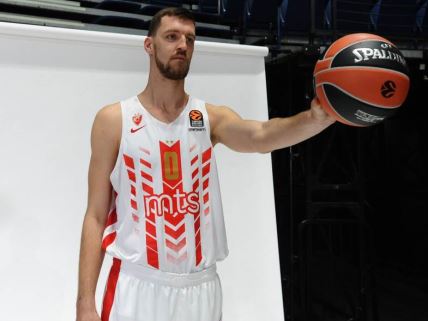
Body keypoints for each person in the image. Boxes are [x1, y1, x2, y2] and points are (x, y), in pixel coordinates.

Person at [75, 7, 335, 321]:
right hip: (137, 284)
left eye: (189, 39)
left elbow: (261, 135)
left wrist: (316, 119)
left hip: (201, 288)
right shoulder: (114, 120)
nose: (182, 45)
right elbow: (96, 216)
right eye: (171, 37)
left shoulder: (209, 118)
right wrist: (85, 303)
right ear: (149, 45)